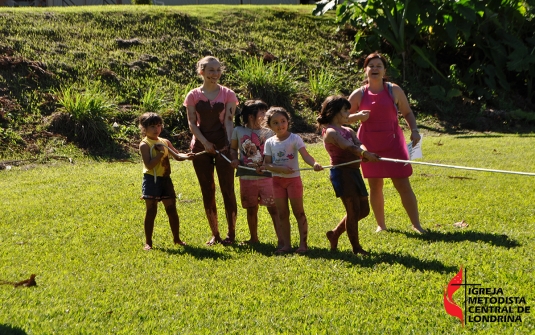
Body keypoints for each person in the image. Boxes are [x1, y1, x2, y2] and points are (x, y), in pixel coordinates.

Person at [347, 52, 426, 234]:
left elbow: (407, 113)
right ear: (365, 70)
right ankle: (381, 225)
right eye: (371, 66)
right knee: (375, 185)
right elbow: (343, 117)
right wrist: (358, 116)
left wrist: (414, 130)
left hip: (394, 144)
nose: (375, 69)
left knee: (403, 184)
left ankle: (416, 225)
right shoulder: (359, 94)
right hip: (369, 145)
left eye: (379, 66)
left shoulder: (394, 90)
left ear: (384, 70)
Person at [183, 56, 239, 245]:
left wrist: (230, 146)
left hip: (223, 144)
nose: (215, 74)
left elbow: (229, 122)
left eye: (218, 70)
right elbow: (192, 123)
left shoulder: (228, 94)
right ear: (202, 72)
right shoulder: (192, 95)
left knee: (228, 190)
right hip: (200, 147)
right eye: (211, 70)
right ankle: (215, 234)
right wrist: (205, 142)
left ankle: (231, 234)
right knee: (207, 190)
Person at [317, 96, 380, 255]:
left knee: (363, 210)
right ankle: (356, 248)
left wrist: (365, 152)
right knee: (353, 211)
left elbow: (358, 144)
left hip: (354, 171)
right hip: (342, 173)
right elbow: (348, 147)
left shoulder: (348, 130)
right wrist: (363, 153)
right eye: (345, 110)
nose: (348, 113)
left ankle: (334, 234)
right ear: (333, 112)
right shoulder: (330, 132)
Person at [262, 107, 323, 254]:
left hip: (293, 181)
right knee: (282, 214)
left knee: (298, 212)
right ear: (269, 126)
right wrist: (280, 169)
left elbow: (306, 155)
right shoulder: (269, 142)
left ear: (288, 121)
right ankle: (286, 245)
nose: (280, 125)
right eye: (275, 122)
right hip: (277, 181)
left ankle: (303, 244)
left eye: (283, 121)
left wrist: (314, 163)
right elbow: (267, 164)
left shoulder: (294, 138)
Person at [229, 100, 282, 247]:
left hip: (267, 177)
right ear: (251, 116)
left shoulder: (270, 132)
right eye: (262, 113)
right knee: (251, 208)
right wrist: (234, 159)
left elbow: (275, 152)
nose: (266, 116)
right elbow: (233, 149)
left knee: (274, 208)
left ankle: (281, 239)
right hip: (247, 177)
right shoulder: (238, 131)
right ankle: (254, 238)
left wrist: (267, 165)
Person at [138, 112, 193, 251]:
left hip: (166, 180)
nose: (157, 129)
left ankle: (177, 239)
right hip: (151, 180)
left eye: (158, 125)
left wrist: (188, 156)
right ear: (144, 128)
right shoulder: (145, 144)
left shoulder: (165, 142)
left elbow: (177, 156)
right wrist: (161, 154)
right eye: (152, 126)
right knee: (151, 211)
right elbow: (149, 165)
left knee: (172, 210)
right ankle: (148, 242)